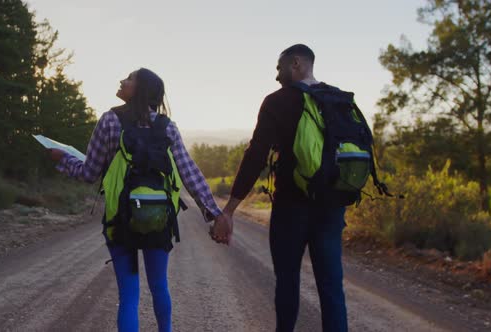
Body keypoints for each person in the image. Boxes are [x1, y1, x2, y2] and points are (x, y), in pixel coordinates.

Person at [49, 68, 233, 332]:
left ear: (141, 89)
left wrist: (63, 159)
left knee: (129, 296)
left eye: (130, 78)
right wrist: (216, 214)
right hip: (159, 219)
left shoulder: (110, 120)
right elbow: (189, 173)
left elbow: (89, 172)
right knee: (159, 287)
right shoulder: (167, 127)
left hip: (119, 218)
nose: (122, 80)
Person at [222, 44, 349, 332]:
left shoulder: (277, 102)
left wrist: (229, 209)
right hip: (331, 205)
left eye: (279, 68)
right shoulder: (338, 98)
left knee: (288, 282)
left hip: (291, 206)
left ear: (296, 64)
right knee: (331, 287)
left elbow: (256, 156)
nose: (277, 76)